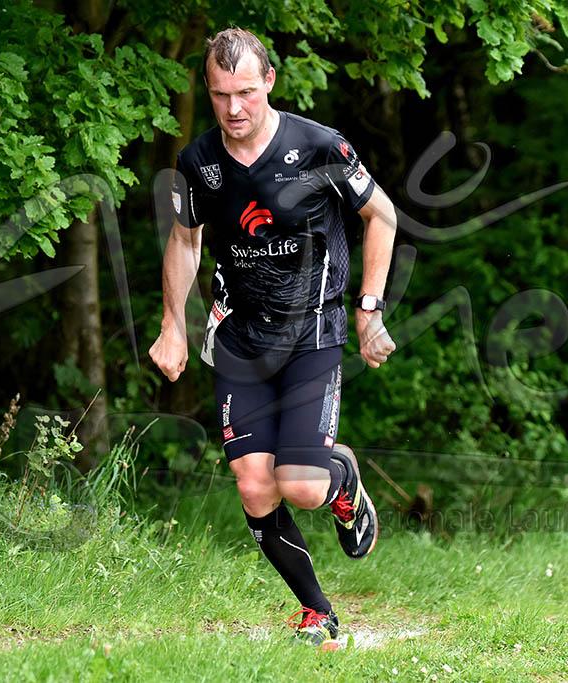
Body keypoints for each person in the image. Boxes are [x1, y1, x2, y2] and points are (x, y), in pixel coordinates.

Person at [149, 27, 397, 647]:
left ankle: (341, 478)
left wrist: (369, 308)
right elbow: (185, 241)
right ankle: (318, 611)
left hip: (312, 330)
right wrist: (172, 325)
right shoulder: (197, 162)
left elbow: (382, 216)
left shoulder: (319, 147)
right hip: (239, 335)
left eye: (245, 93)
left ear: (270, 83)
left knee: (303, 486)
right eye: (219, 95)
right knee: (255, 485)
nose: (233, 108)